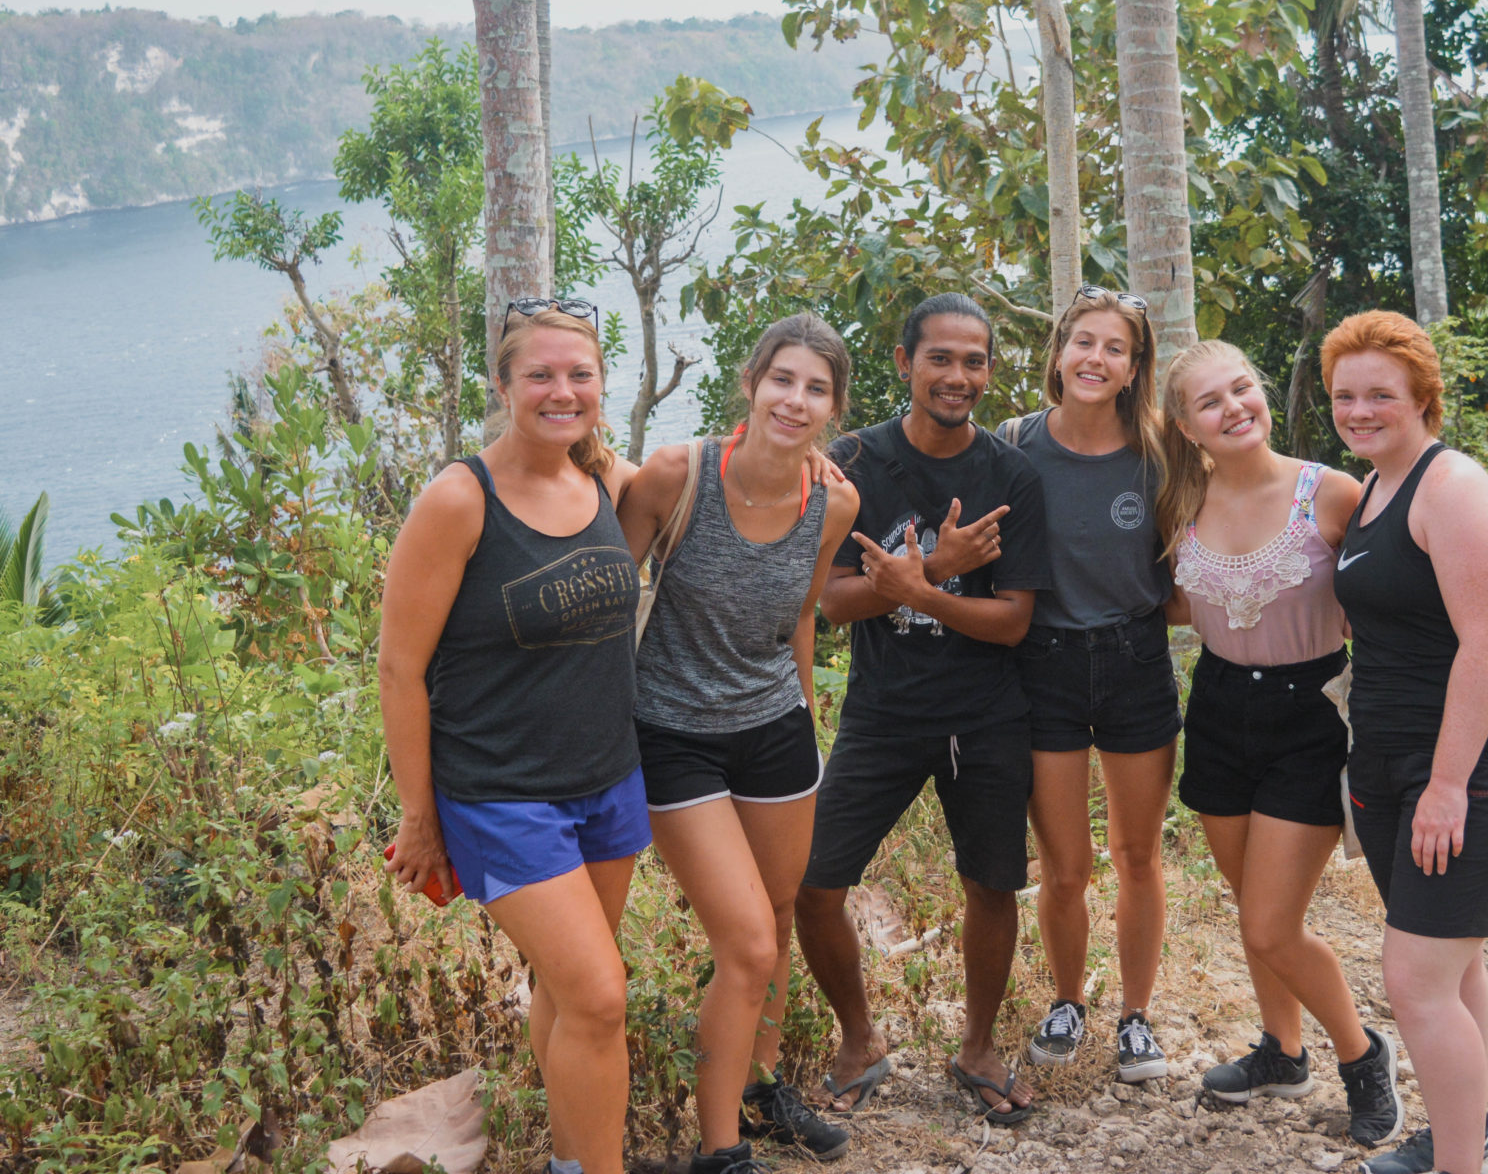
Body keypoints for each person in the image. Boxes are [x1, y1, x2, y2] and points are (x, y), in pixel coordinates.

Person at [379, 301, 649, 1174]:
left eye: (580, 375)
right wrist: (421, 816)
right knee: (601, 998)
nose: (561, 391)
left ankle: (570, 1163)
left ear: (603, 387)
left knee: (572, 994)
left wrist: (816, 478)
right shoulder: (461, 499)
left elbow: (713, 481)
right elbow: (399, 670)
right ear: (501, 386)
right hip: (499, 793)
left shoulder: (605, 479)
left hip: (607, 777)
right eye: (540, 374)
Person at [794, 293, 1051, 1127]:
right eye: (940, 357)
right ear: (904, 363)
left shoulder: (1011, 477)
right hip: (884, 711)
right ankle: (859, 1038)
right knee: (814, 882)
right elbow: (829, 603)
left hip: (985, 715)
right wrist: (934, 565)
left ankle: (978, 1046)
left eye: (974, 361)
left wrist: (922, 587)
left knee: (991, 882)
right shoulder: (853, 463)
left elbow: (1013, 621)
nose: (958, 376)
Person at [619, 314, 860, 1174]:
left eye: (816, 388)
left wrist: (802, 716)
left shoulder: (834, 499)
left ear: (833, 407)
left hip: (774, 730)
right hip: (674, 733)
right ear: (752, 383)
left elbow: (801, 615)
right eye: (783, 380)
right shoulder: (679, 476)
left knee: (782, 917)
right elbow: (610, 598)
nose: (796, 401)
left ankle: (761, 1090)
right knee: (749, 942)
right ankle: (718, 1151)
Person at [1157, 339, 1406, 1149]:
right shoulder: (1179, 503)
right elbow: (1170, 602)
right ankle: (1281, 1049)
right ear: (1186, 427)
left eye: (1242, 388)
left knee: (1270, 923)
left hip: (1311, 715)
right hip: (1219, 710)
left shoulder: (1330, 494)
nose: (1234, 408)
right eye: (1210, 402)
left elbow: (1395, 586)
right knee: (1249, 905)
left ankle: (1364, 1056)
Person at [1324, 311, 1488, 1174]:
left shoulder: (1451, 487)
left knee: (1415, 982)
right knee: (1450, 968)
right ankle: (1467, 1137)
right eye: (1346, 395)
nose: (1361, 409)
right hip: (1385, 759)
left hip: (1469, 765)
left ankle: (1463, 1167)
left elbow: (1486, 647)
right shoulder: (1373, 487)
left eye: (1381, 392)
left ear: (1422, 394)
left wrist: (1448, 784)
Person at [1000, 286, 1181, 1085]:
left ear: (1134, 366)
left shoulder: (1162, 453)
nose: (1095, 358)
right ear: (1060, 350)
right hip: (1045, 665)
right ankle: (1068, 1000)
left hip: (1137, 660)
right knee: (1065, 865)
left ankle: (1136, 1016)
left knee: (1139, 854)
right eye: (1083, 341)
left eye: (1115, 348)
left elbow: (1187, 565)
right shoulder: (1013, 445)